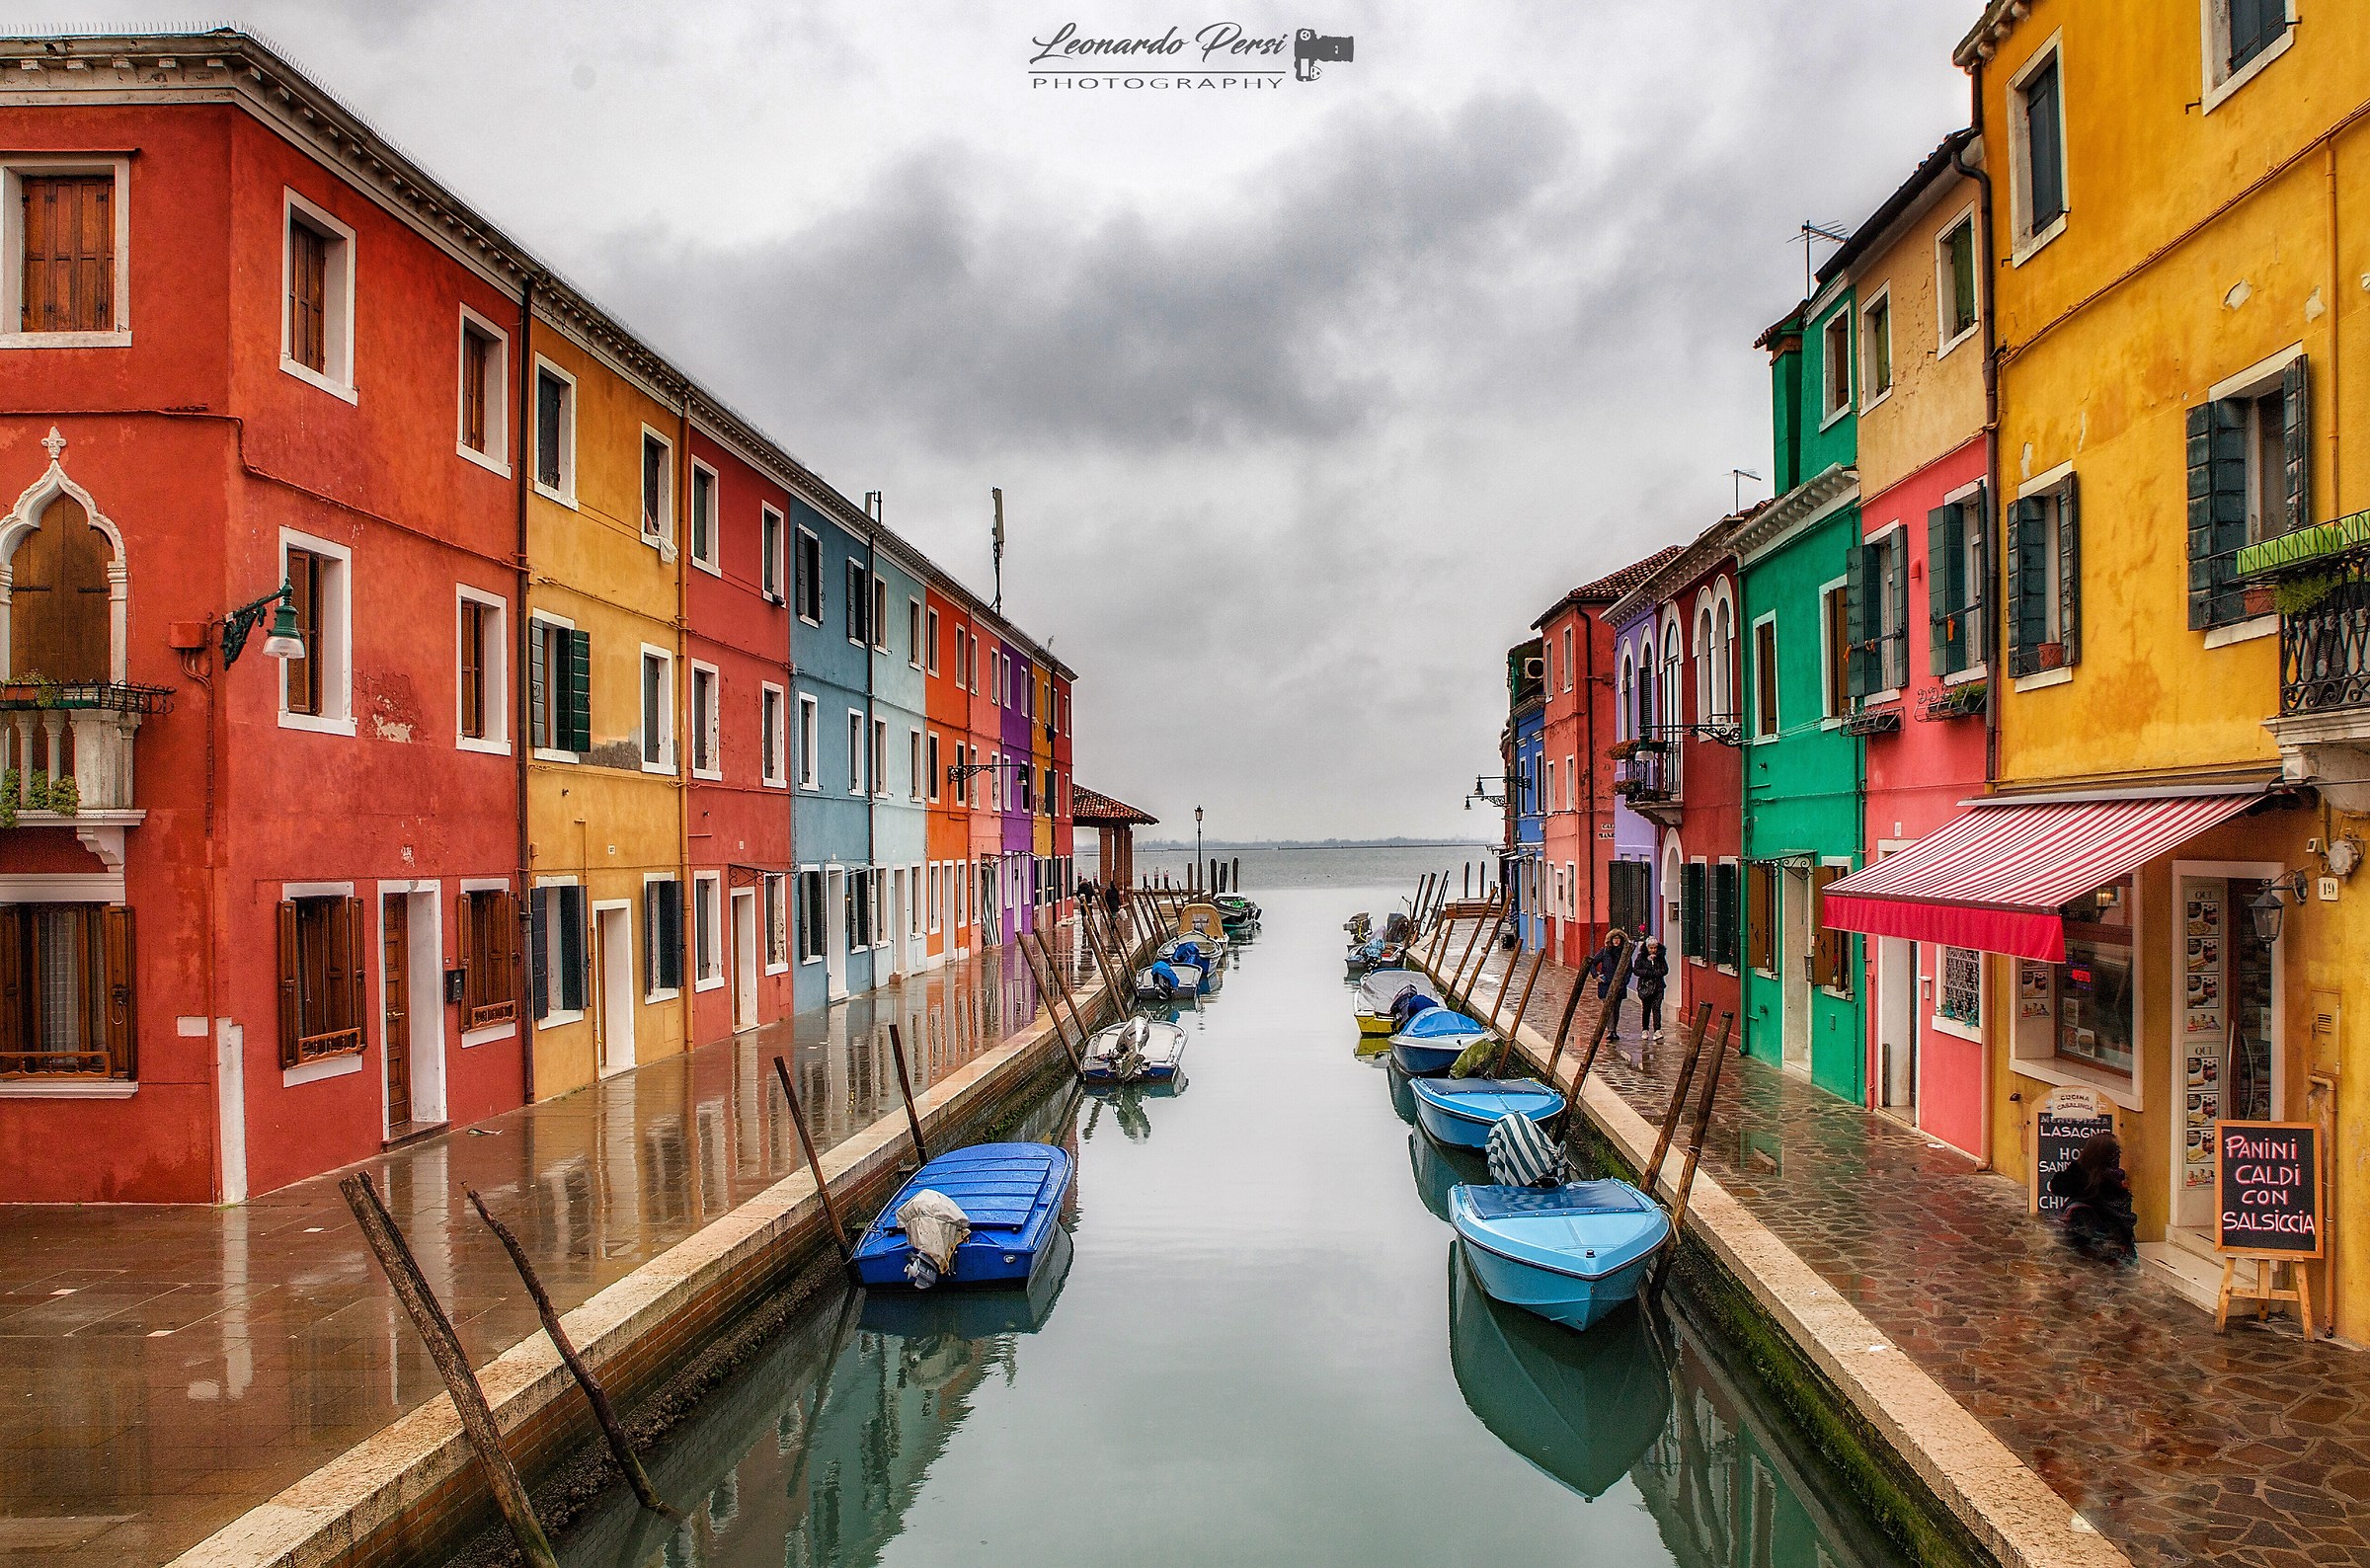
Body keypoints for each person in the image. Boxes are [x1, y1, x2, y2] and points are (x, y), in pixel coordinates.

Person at [2048, 1132, 2138, 1264]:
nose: (2119, 1155)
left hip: (2106, 1246)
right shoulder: (2086, 1179)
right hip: (2094, 1245)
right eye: (2116, 1151)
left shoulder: (2114, 1178)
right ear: (2105, 1154)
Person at [1589, 927, 1632, 1040]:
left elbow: (1629, 969)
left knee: (1616, 1009)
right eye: (1614, 939)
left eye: (1618, 939)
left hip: (1619, 985)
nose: (1616, 941)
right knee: (1608, 1008)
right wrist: (1596, 976)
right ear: (1611, 940)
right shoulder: (1604, 952)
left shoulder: (1625, 953)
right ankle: (1610, 1030)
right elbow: (1592, 963)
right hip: (1606, 984)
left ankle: (1614, 1030)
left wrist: (1625, 981)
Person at [1633, 937, 1670, 1040]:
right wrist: (1647, 972)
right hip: (1645, 987)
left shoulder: (1660, 957)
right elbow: (1636, 970)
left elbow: (1665, 969)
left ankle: (1657, 1029)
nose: (1653, 950)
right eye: (1651, 948)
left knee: (1656, 1007)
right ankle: (1645, 1029)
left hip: (1658, 986)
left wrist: (1656, 972)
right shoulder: (1641, 957)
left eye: (1655, 948)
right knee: (1646, 1009)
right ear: (1647, 948)